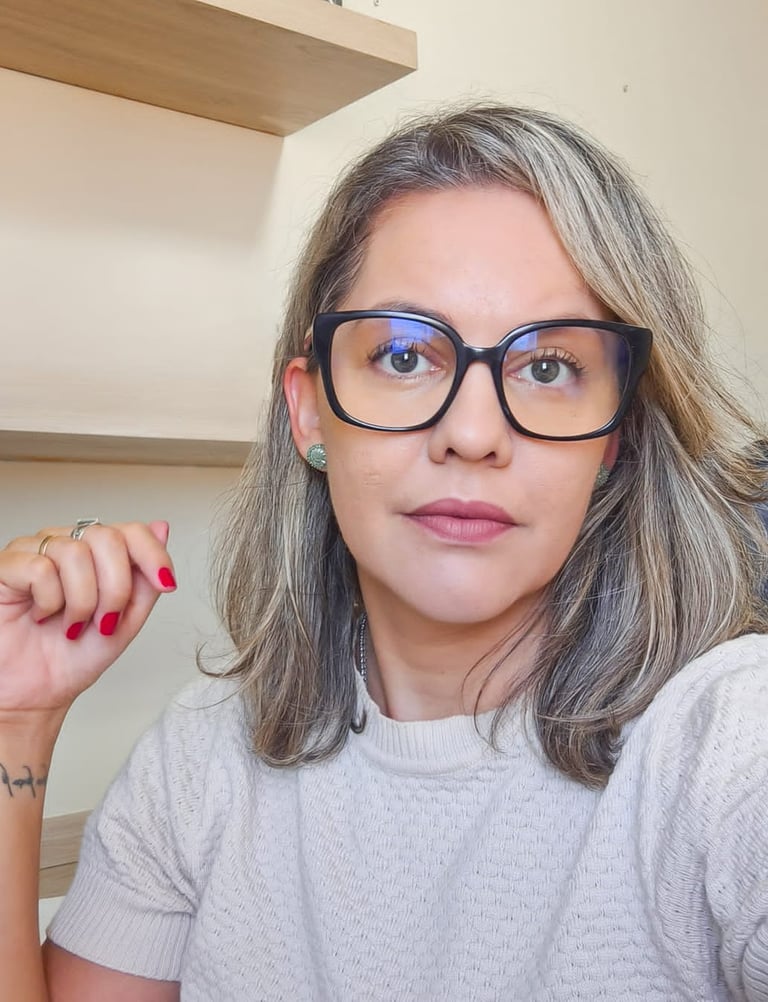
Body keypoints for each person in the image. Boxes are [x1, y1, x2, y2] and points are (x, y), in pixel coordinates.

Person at [1, 103, 767, 1002]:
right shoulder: (199, 759)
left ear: (615, 435)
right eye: (405, 355)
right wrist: (15, 723)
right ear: (309, 411)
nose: (472, 434)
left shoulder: (729, 742)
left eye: (548, 367)